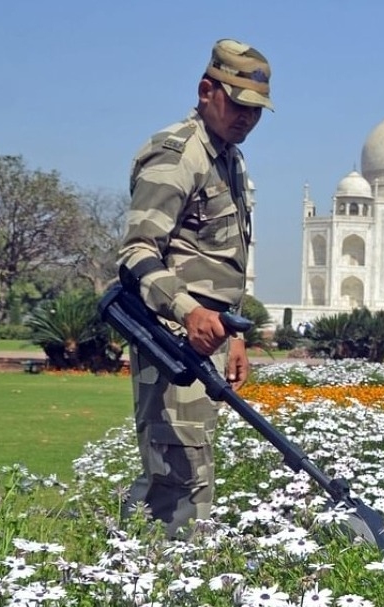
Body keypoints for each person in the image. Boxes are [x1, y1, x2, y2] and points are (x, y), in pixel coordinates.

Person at [116, 38, 274, 539]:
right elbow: (137, 253)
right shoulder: (177, 153)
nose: (247, 118)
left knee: (193, 464)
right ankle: (137, 581)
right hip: (170, 336)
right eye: (239, 105)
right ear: (207, 90)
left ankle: (169, 572)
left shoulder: (228, 158)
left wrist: (237, 334)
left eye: (256, 110)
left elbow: (226, 258)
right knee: (176, 472)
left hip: (209, 335)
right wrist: (187, 311)